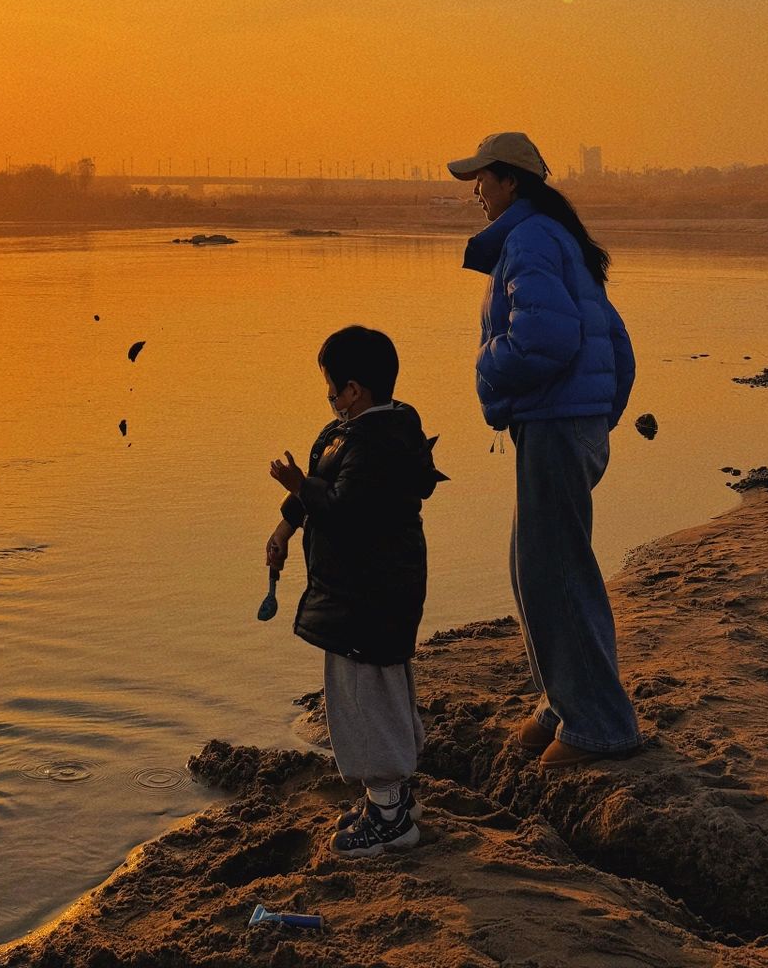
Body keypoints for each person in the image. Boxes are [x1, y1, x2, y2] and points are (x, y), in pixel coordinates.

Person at [446, 131, 640, 766]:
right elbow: (613, 338)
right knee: (538, 567)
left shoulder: (530, 239)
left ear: (511, 182)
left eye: (481, 179)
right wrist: (599, 415)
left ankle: (600, 726)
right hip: (564, 420)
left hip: (558, 422)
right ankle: (563, 702)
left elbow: (549, 337)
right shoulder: (552, 237)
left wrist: (485, 367)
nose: (475, 191)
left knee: (554, 570)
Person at [266, 325, 447, 857]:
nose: (326, 395)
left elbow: (347, 508)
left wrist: (300, 486)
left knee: (367, 696)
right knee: (367, 688)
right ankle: (392, 800)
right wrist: (284, 526)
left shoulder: (382, 441)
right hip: (351, 592)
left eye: (331, 384)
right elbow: (324, 483)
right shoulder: (348, 432)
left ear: (354, 390)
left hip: (373, 594)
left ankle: (391, 814)